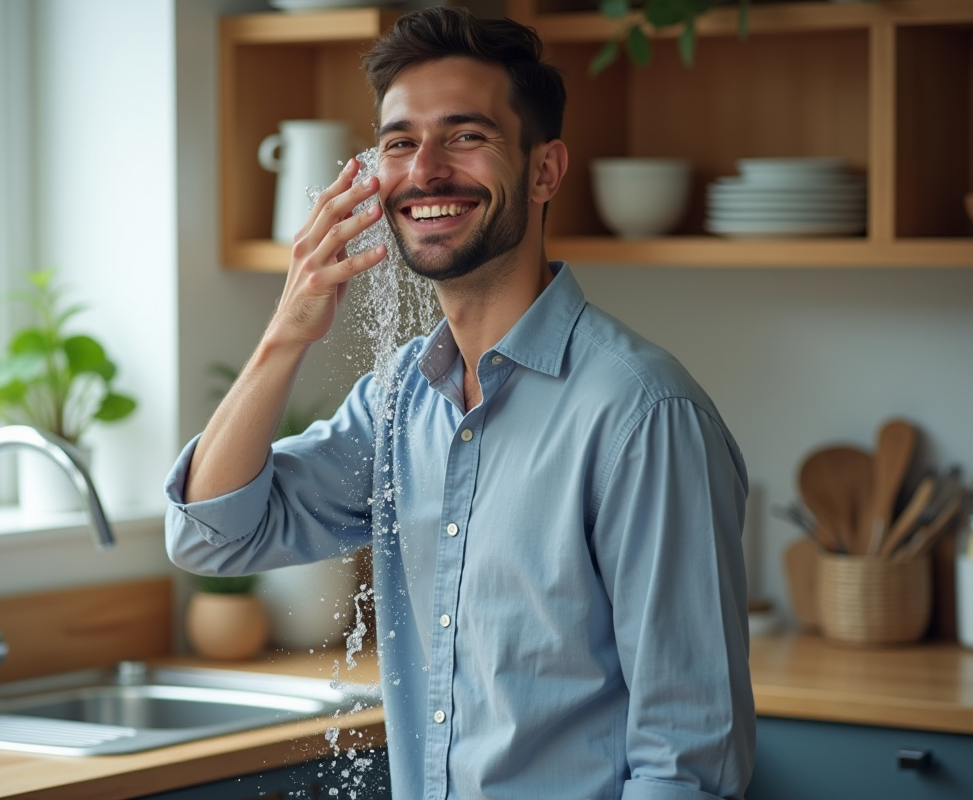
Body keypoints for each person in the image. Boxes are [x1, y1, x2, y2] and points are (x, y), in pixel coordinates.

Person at [165, 7, 754, 799]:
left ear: (545, 171)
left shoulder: (642, 417)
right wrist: (286, 331)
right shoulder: (399, 400)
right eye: (400, 141)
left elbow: (685, 766)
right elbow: (214, 536)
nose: (425, 169)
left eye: (466, 135)